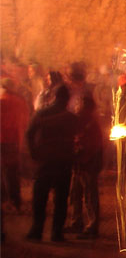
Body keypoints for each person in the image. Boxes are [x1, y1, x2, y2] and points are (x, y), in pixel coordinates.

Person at [25, 84, 80, 242]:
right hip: (63, 161)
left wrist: (33, 152)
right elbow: (79, 136)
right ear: (67, 99)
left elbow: (29, 133)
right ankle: (56, 233)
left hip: (45, 160)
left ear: (53, 97)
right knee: (61, 199)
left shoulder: (41, 113)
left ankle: (36, 230)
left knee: (40, 197)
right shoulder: (71, 117)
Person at [66, 95, 104, 238]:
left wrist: (79, 151)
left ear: (84, 105)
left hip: (87, 162)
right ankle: (76, 223)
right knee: (76, 193)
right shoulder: (82, 120)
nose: (76, 106)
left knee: (89, 194)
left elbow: (90, 144)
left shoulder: (89, 122)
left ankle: (92, 226)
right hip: (80, 162)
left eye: (79, 103)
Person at [0, 77, 29, 213]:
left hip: (2, 139)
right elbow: (26, 120)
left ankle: (5, 201)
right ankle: (16, 201)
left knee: (4, 172)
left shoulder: (2, 100)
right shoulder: (20, 101)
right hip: (15, 140)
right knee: (12, 171)